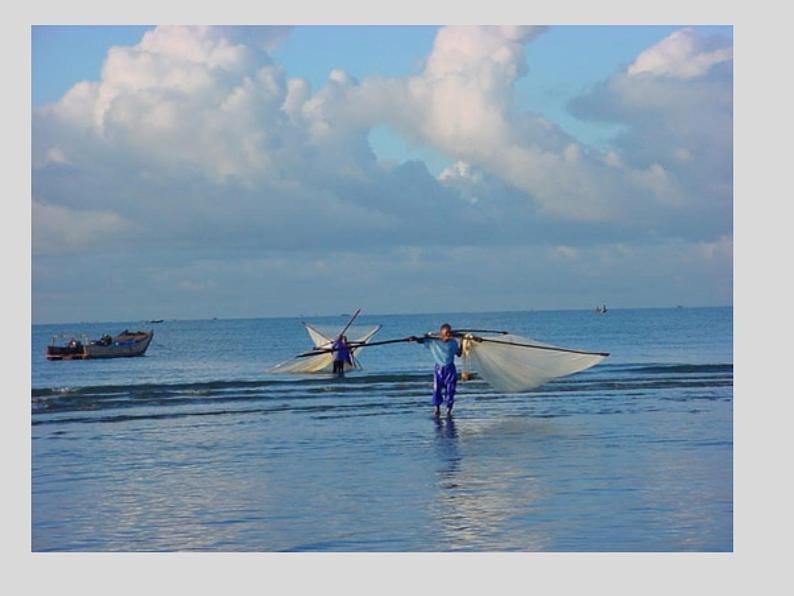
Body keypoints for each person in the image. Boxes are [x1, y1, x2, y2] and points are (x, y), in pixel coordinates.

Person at [409, 323, 462, 417]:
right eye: (446, 333)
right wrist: (415, 339)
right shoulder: (434, 341)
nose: (448, 336)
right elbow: (422, 340)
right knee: (437, 389)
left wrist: (462, 340)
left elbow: (459, 354)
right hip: (439, 368)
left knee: (450, 390)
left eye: (449, 333)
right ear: (441, 334)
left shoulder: (453, 342)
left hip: (450, 368)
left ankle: (448, 410)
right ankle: (437, 408)